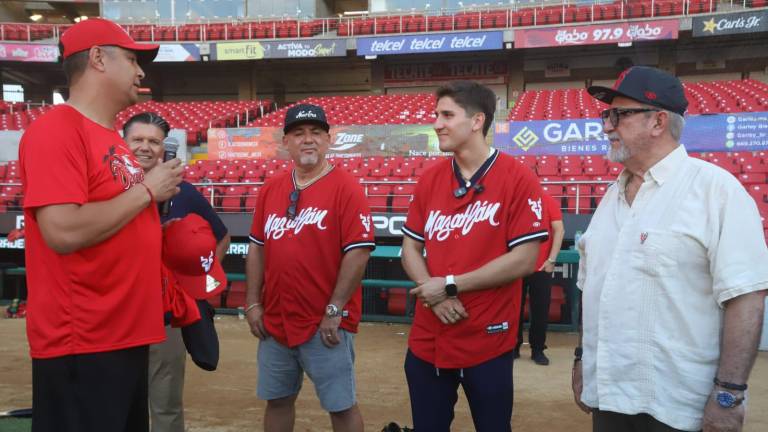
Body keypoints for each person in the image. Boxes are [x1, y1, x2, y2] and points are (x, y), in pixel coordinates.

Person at [572, 66, 768, 432]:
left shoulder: (715, 190)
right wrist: (583, 360)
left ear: (658, 121)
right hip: (610, 396)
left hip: (678, 407)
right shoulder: (610, 198)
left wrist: (729, 393)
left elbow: (746, 297)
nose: (606, 126)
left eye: (619, 114)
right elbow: (591, 287)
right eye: (606, 114)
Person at [18, 18, 183, 432]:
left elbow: (118, 225)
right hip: (83, 342)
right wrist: (147, 191)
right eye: (130, 58)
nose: (140, 71)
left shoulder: (110, 137)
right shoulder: (56, 130)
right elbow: (63, 230)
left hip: (122, 334)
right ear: (97, 59)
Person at [400, 80, 550, 431]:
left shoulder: (518, 177)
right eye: (437, 115)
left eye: (447, 115)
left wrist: (449, 286)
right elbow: (410, 247)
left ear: (477, 121)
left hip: (488, 339)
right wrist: (432, 291)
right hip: (429, 338)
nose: (437, 123)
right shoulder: (430, 179)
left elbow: (526, 258)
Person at [244, 103, 375, 432]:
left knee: (341, 405)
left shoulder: (347, 187)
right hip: (275, 318)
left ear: (328, 140)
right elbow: (257, 248)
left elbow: (358, 253)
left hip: (324, 322)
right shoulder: (272, 188)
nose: (308, 140)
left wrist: (335, 308)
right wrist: (252, 302)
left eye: (316, 133)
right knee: (277, 400)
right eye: (298, 133)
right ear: (285, 142)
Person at [123, 112, 230, 432]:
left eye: (154, 141)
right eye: (137, 140)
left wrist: (200, 286)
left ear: (164, 148)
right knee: (118, 403)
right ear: (122, 144)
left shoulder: (183, 191)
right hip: (116, 315)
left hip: (164, 318)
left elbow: (221, 235)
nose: (145, 147)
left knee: (165, 405)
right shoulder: (107, 186)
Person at [514, 192, 564, 366]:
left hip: (542, 266)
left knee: (540, 310)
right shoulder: (513, 199)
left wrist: (551, 260)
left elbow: (559, 229)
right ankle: (513, 347)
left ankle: (537, 349)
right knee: (513, 309)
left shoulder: (547, 200)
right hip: (516, 266)